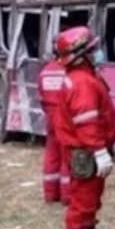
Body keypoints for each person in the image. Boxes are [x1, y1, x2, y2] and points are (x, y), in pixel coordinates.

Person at [56, 26, 115, 229]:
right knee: (83, 199)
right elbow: (87, 122)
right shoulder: (82, 82)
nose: (98, 52)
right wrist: (99, 150)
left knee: (91, 196)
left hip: (87, 149)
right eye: (93, 49)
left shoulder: (86, 77)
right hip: (85, 151)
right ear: (80, 55)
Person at [38, 53, 70, 205]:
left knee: (51, 154)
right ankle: (67, 195)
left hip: (50, 117)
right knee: (67, 155)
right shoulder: (68, 71)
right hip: (65, 118)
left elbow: (41, 98)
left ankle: (50, 194)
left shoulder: (45, 71)